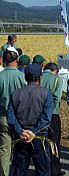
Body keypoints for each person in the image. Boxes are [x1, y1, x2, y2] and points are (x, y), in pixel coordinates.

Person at [7, 63, 54, 176]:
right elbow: (46, 117)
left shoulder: (16, 93)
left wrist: (21, 131)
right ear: (39, 77)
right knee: (43, 171)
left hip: (21, 138)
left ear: (25, 77)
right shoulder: (46, 93)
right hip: (39, 137)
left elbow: (11, 118)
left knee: (19, 171)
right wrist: (33, 132)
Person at [0, 48, 26, 176]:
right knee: (20, 150)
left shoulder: (0, 76)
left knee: (5, 149)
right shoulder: (22, 77)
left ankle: (4, 173)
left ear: (4, 61)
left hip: (3, 116)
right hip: (19, 118)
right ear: (17, 61)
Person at [41, 62, 64, 176]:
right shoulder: (57, 80)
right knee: (54, 143)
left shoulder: (38, 77)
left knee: (42, 142)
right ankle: (55, 170)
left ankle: (43, 169)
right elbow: (57, 97)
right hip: (53, 115)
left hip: (39, 114)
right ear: (55, 71)